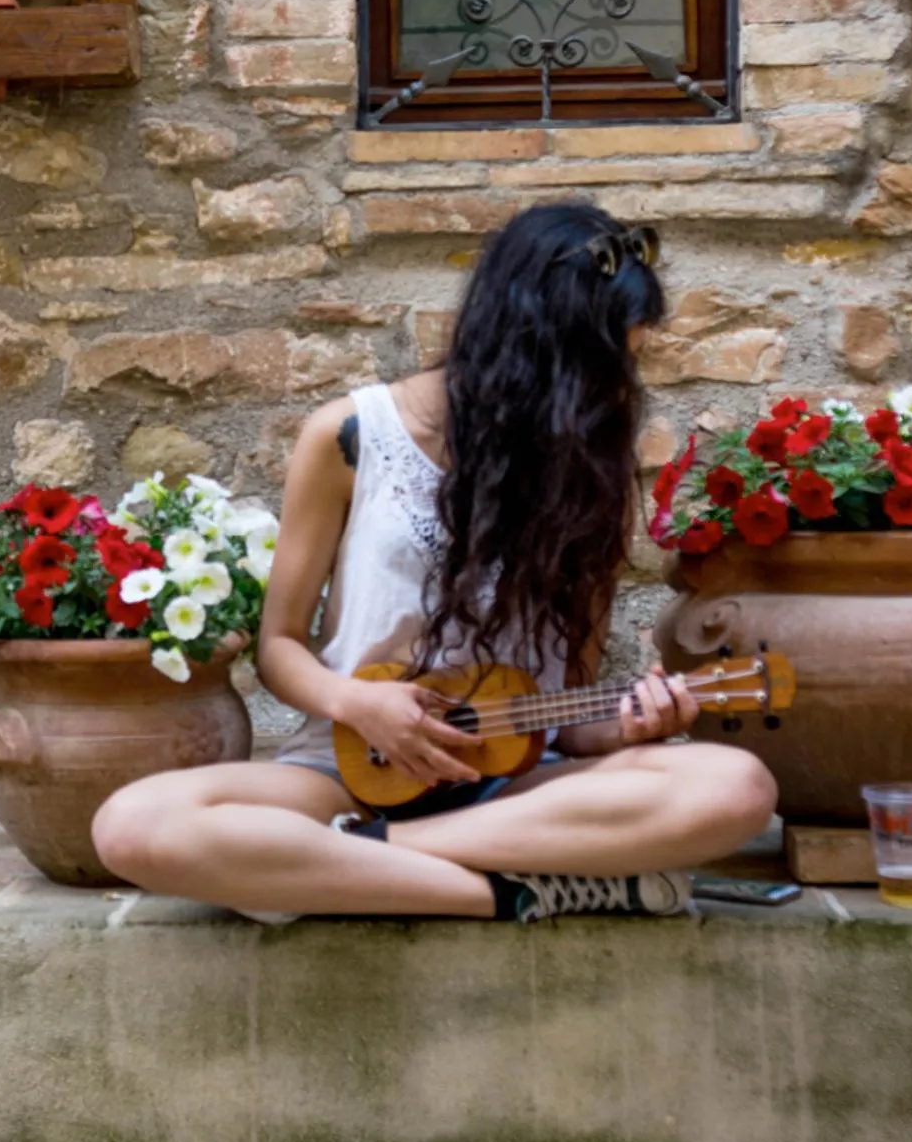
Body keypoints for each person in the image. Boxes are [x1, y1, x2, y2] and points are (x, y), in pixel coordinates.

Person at [92, 203, 778, 923]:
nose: (618, 389)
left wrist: (632, 726)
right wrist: (359, 703)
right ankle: (510, 892)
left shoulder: (590, 474)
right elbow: (279, 647)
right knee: (133, 824)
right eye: (605, 364)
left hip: (512, 788)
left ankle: (359, 857)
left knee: (735, 787)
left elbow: (570, 715)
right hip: (346, 768)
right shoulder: (351, 436)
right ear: (537, 346)